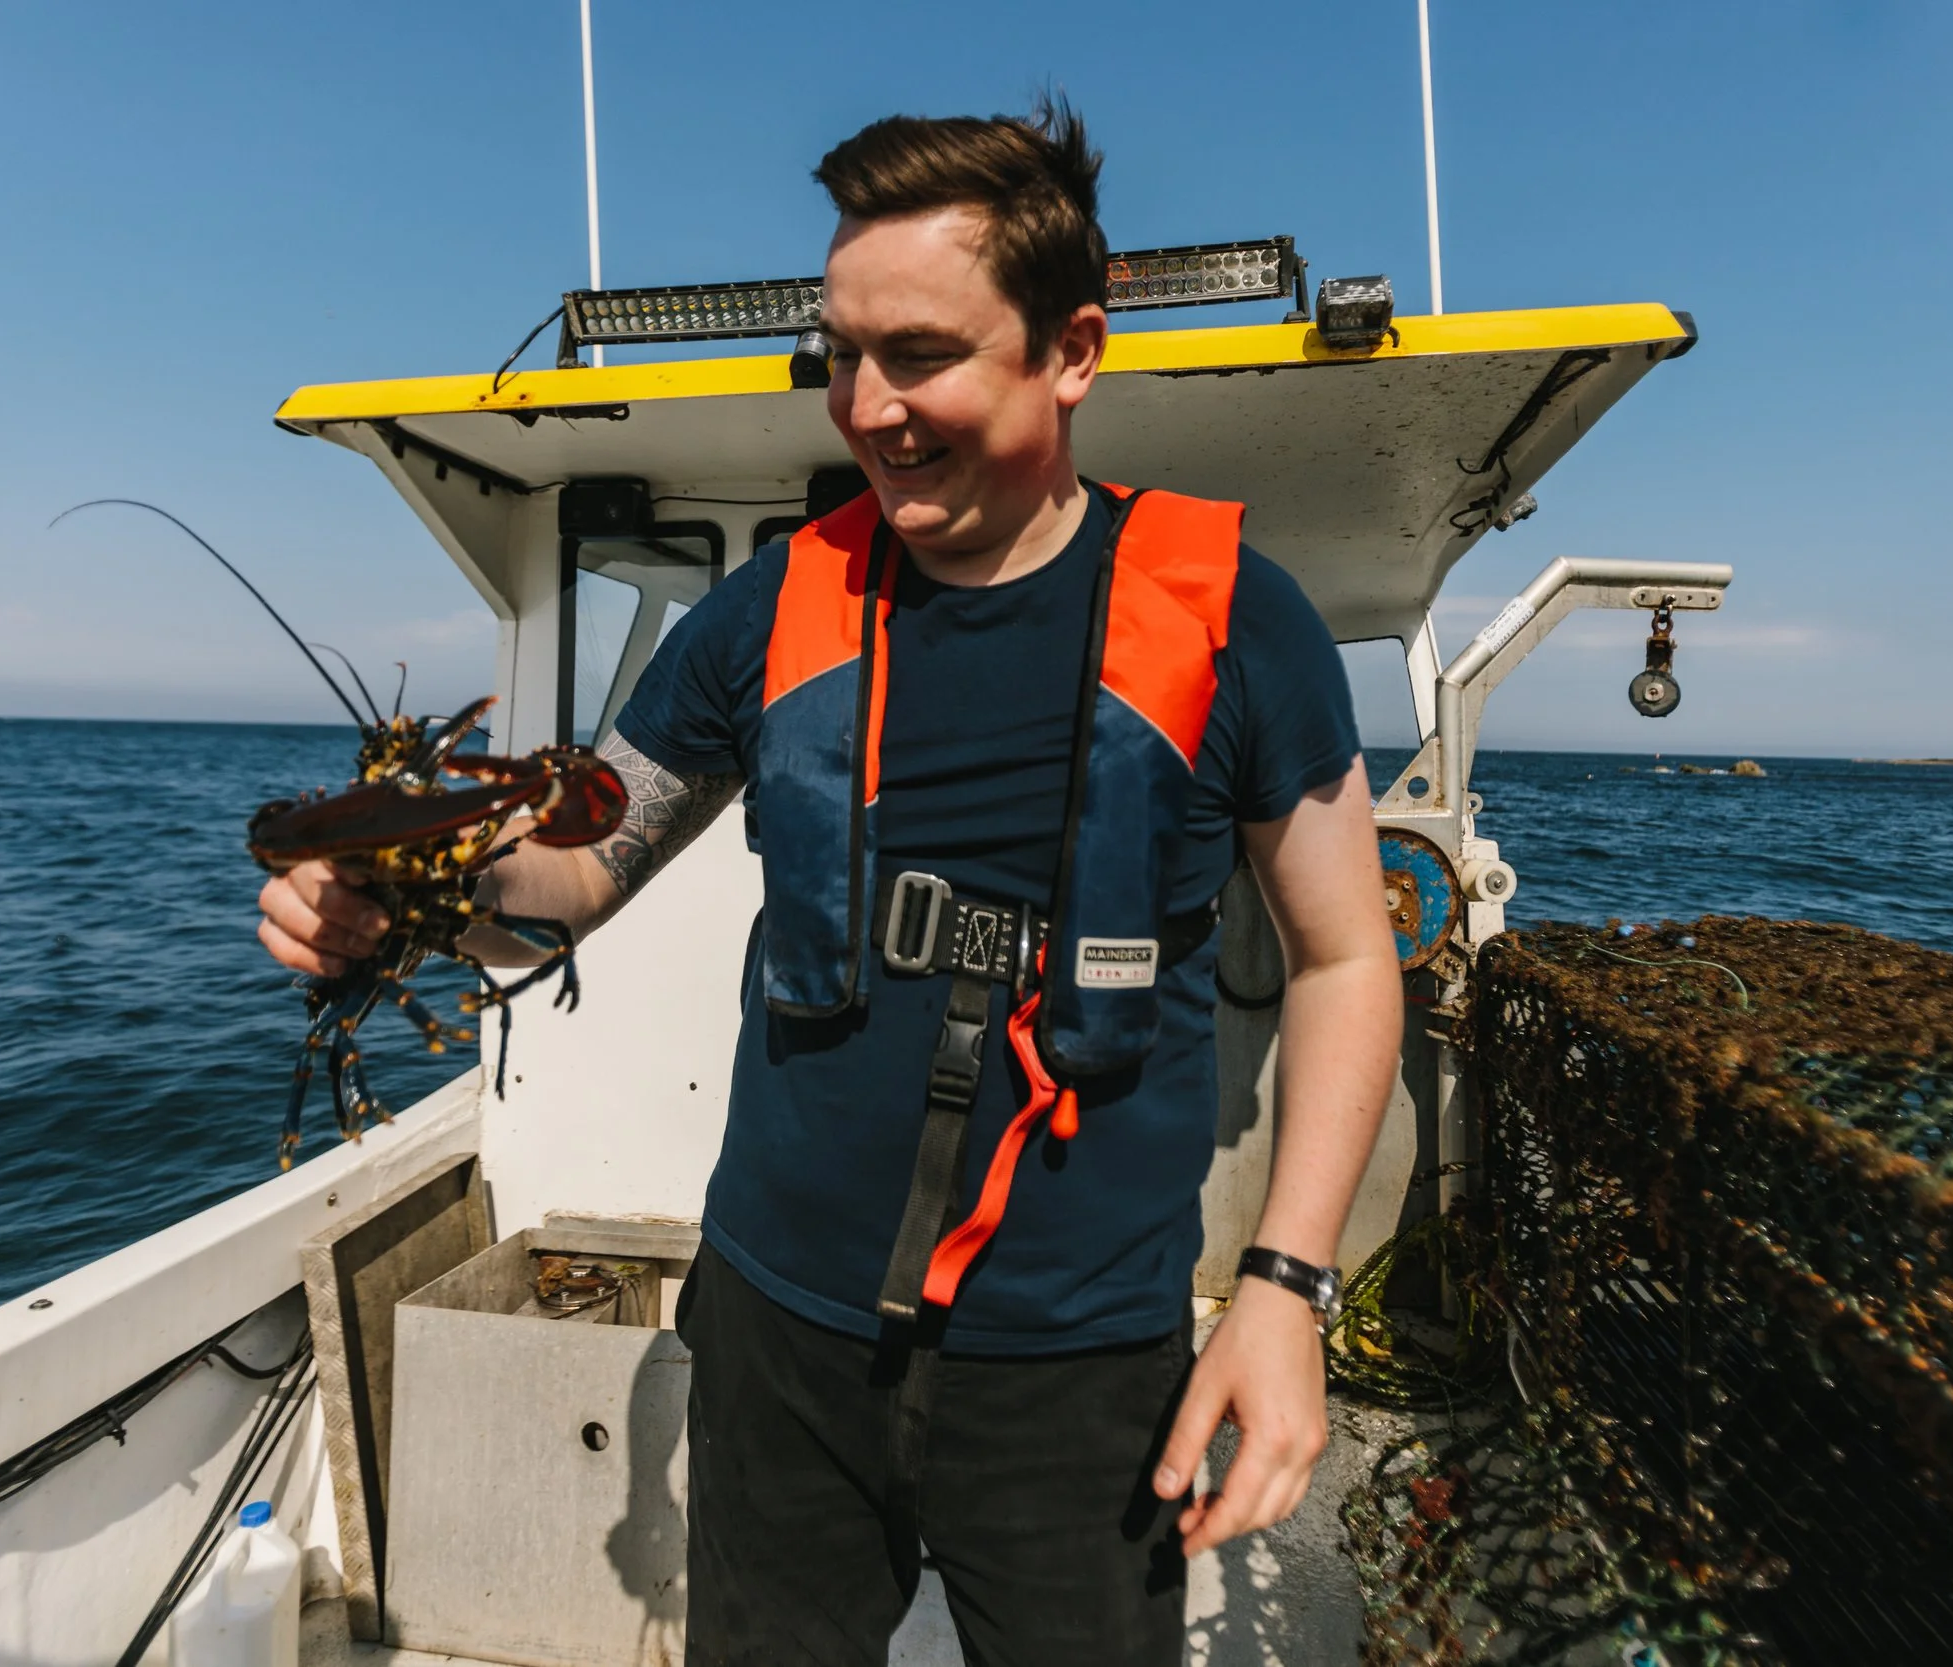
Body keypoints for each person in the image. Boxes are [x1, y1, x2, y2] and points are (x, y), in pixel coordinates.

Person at [258, 100, 1402, 1666]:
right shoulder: (766, 615)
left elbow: (1345, 957)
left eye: (921, 353)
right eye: (839, 355)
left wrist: (1282, 1293)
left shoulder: (1236, 622)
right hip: (779, 1332)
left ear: (1072, 349)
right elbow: (574, 875)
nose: (869, 406)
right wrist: (395, 899)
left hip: (1079, 1361)